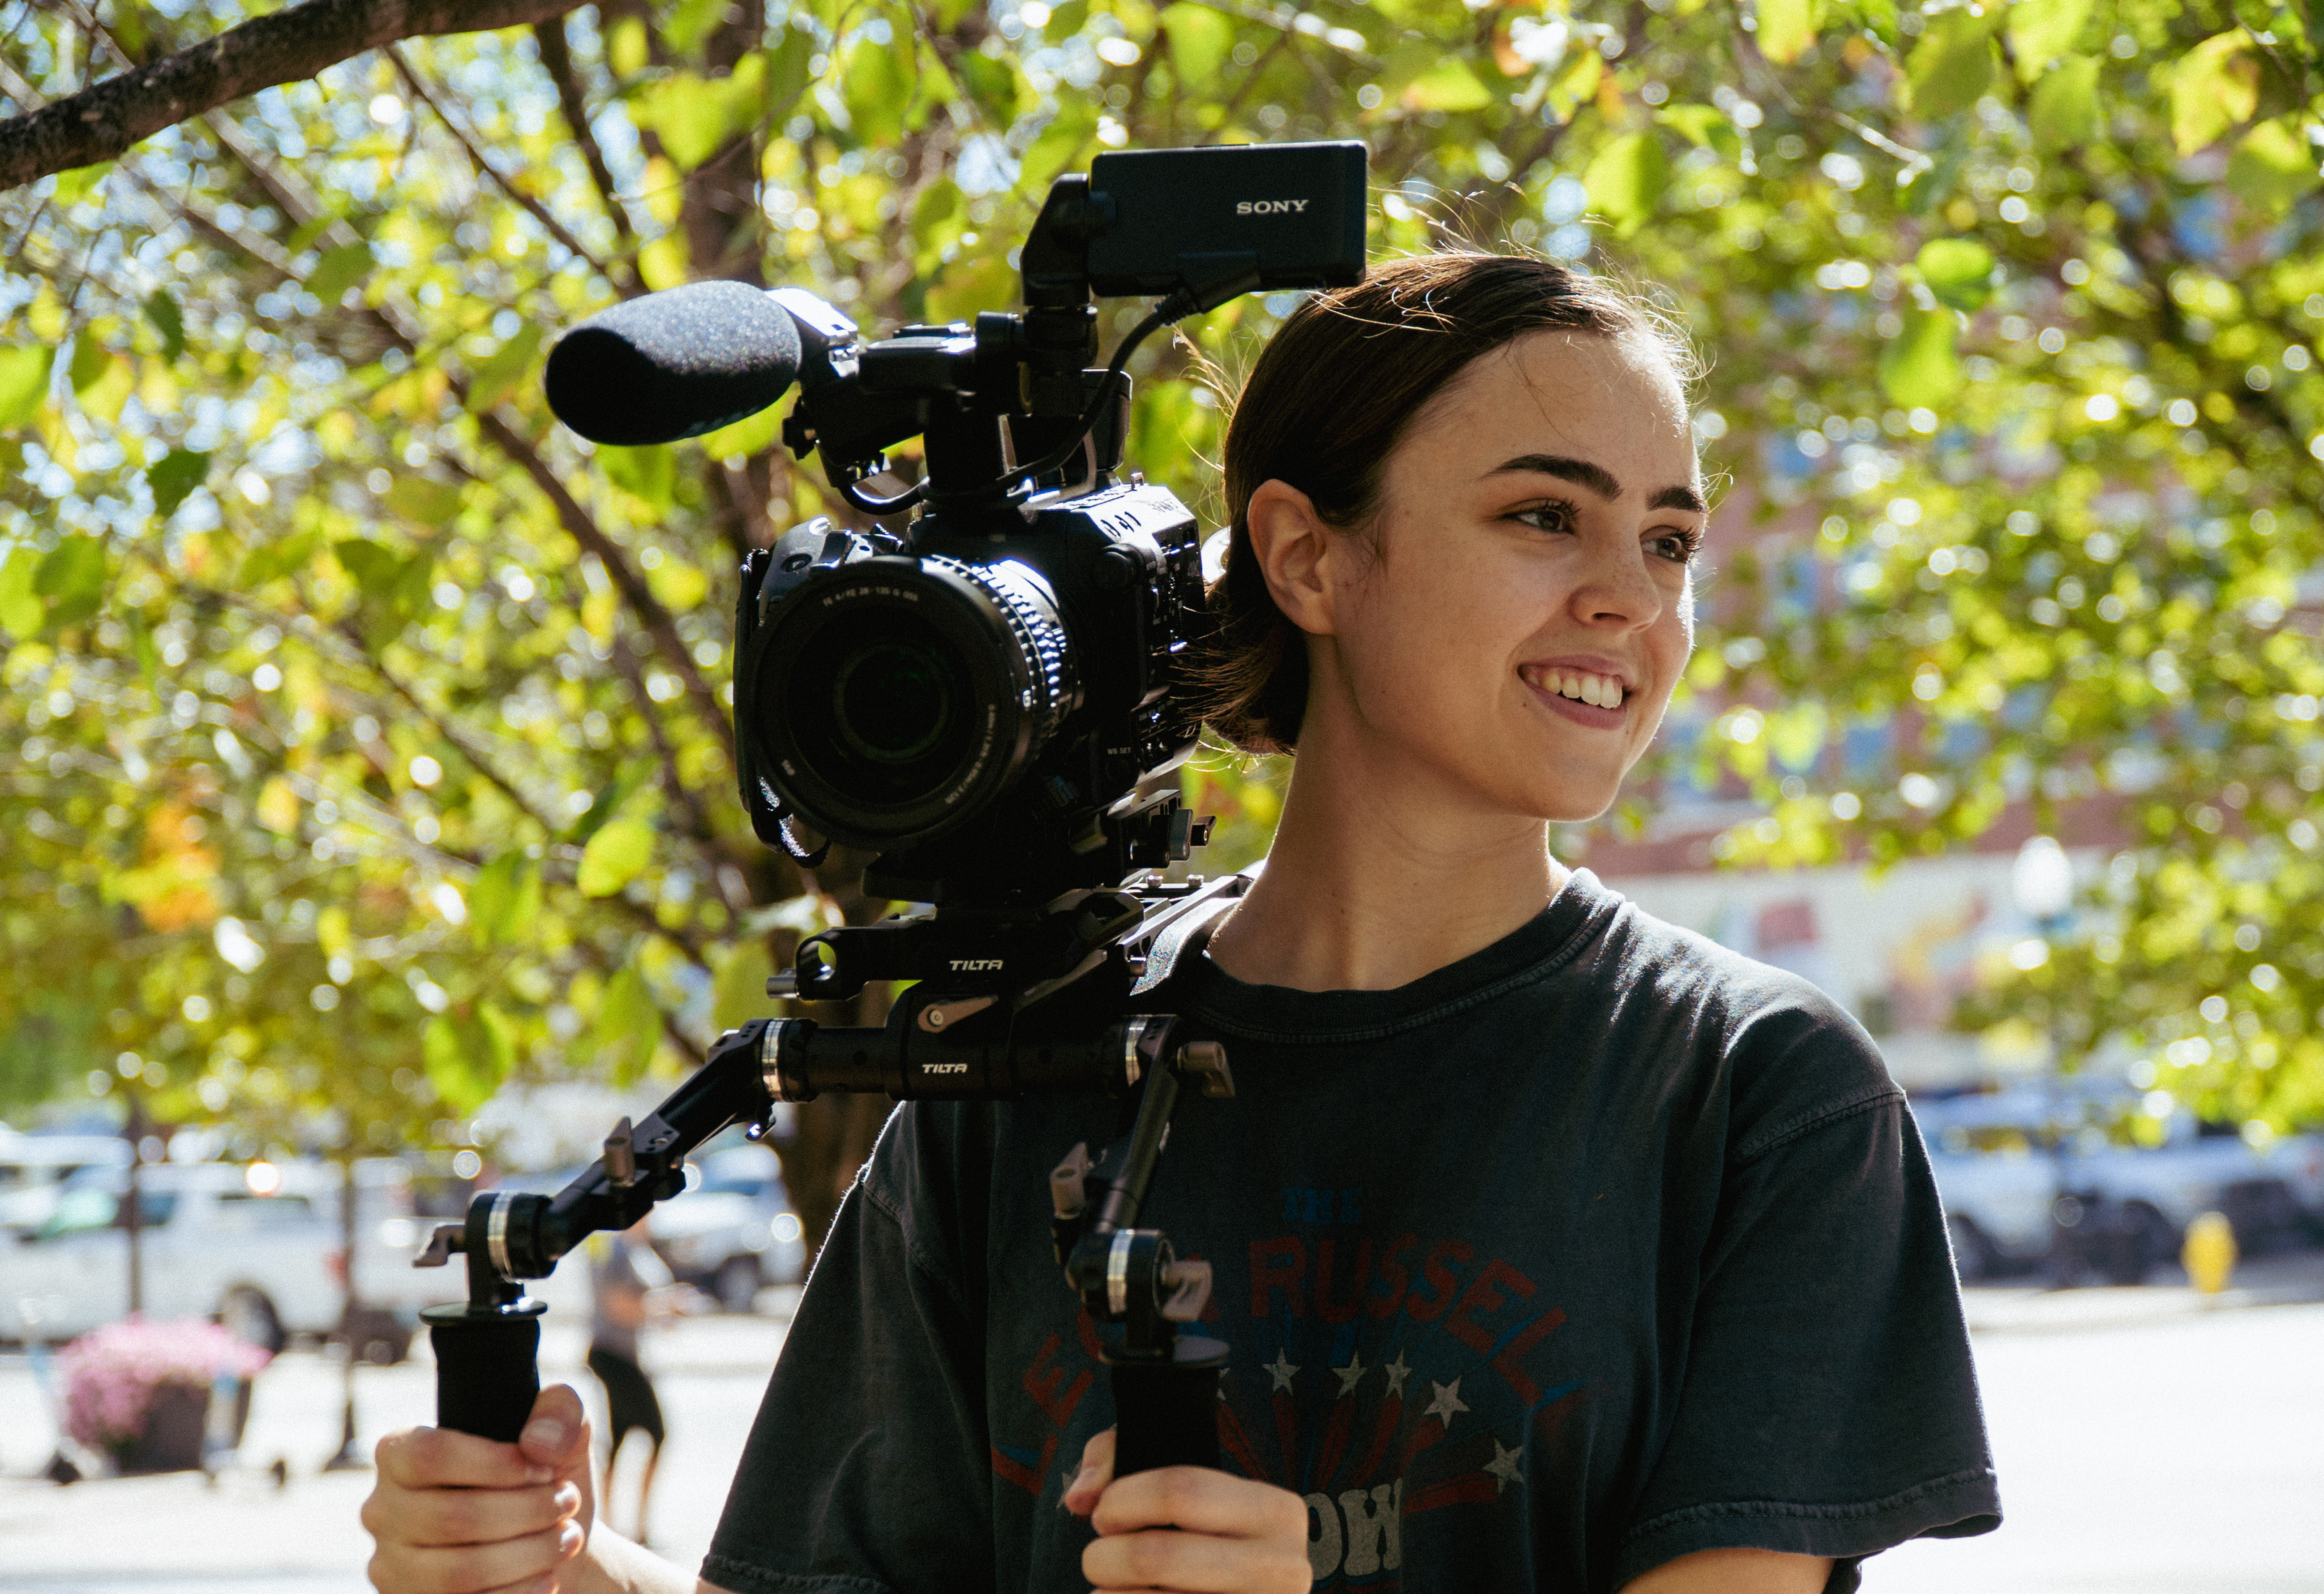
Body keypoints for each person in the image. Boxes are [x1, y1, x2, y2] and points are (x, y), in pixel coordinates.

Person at [363, 251, 2002, 1594]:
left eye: (1669, 539)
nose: (1632, 600)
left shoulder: (1758, 1090)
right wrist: (560, 1570)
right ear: (1306, 554)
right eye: (1541, 515)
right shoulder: (1022, 1056)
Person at [586, 1216, 676, 1546]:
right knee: (649, 1434)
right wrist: (662, 1308)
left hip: (629, 1355)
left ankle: (626, 1526)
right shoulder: (617, 1250)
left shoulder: (636, 1249)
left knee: (624, 1437)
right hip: (615, 1354)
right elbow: (617, 1305)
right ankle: (619, 1526)